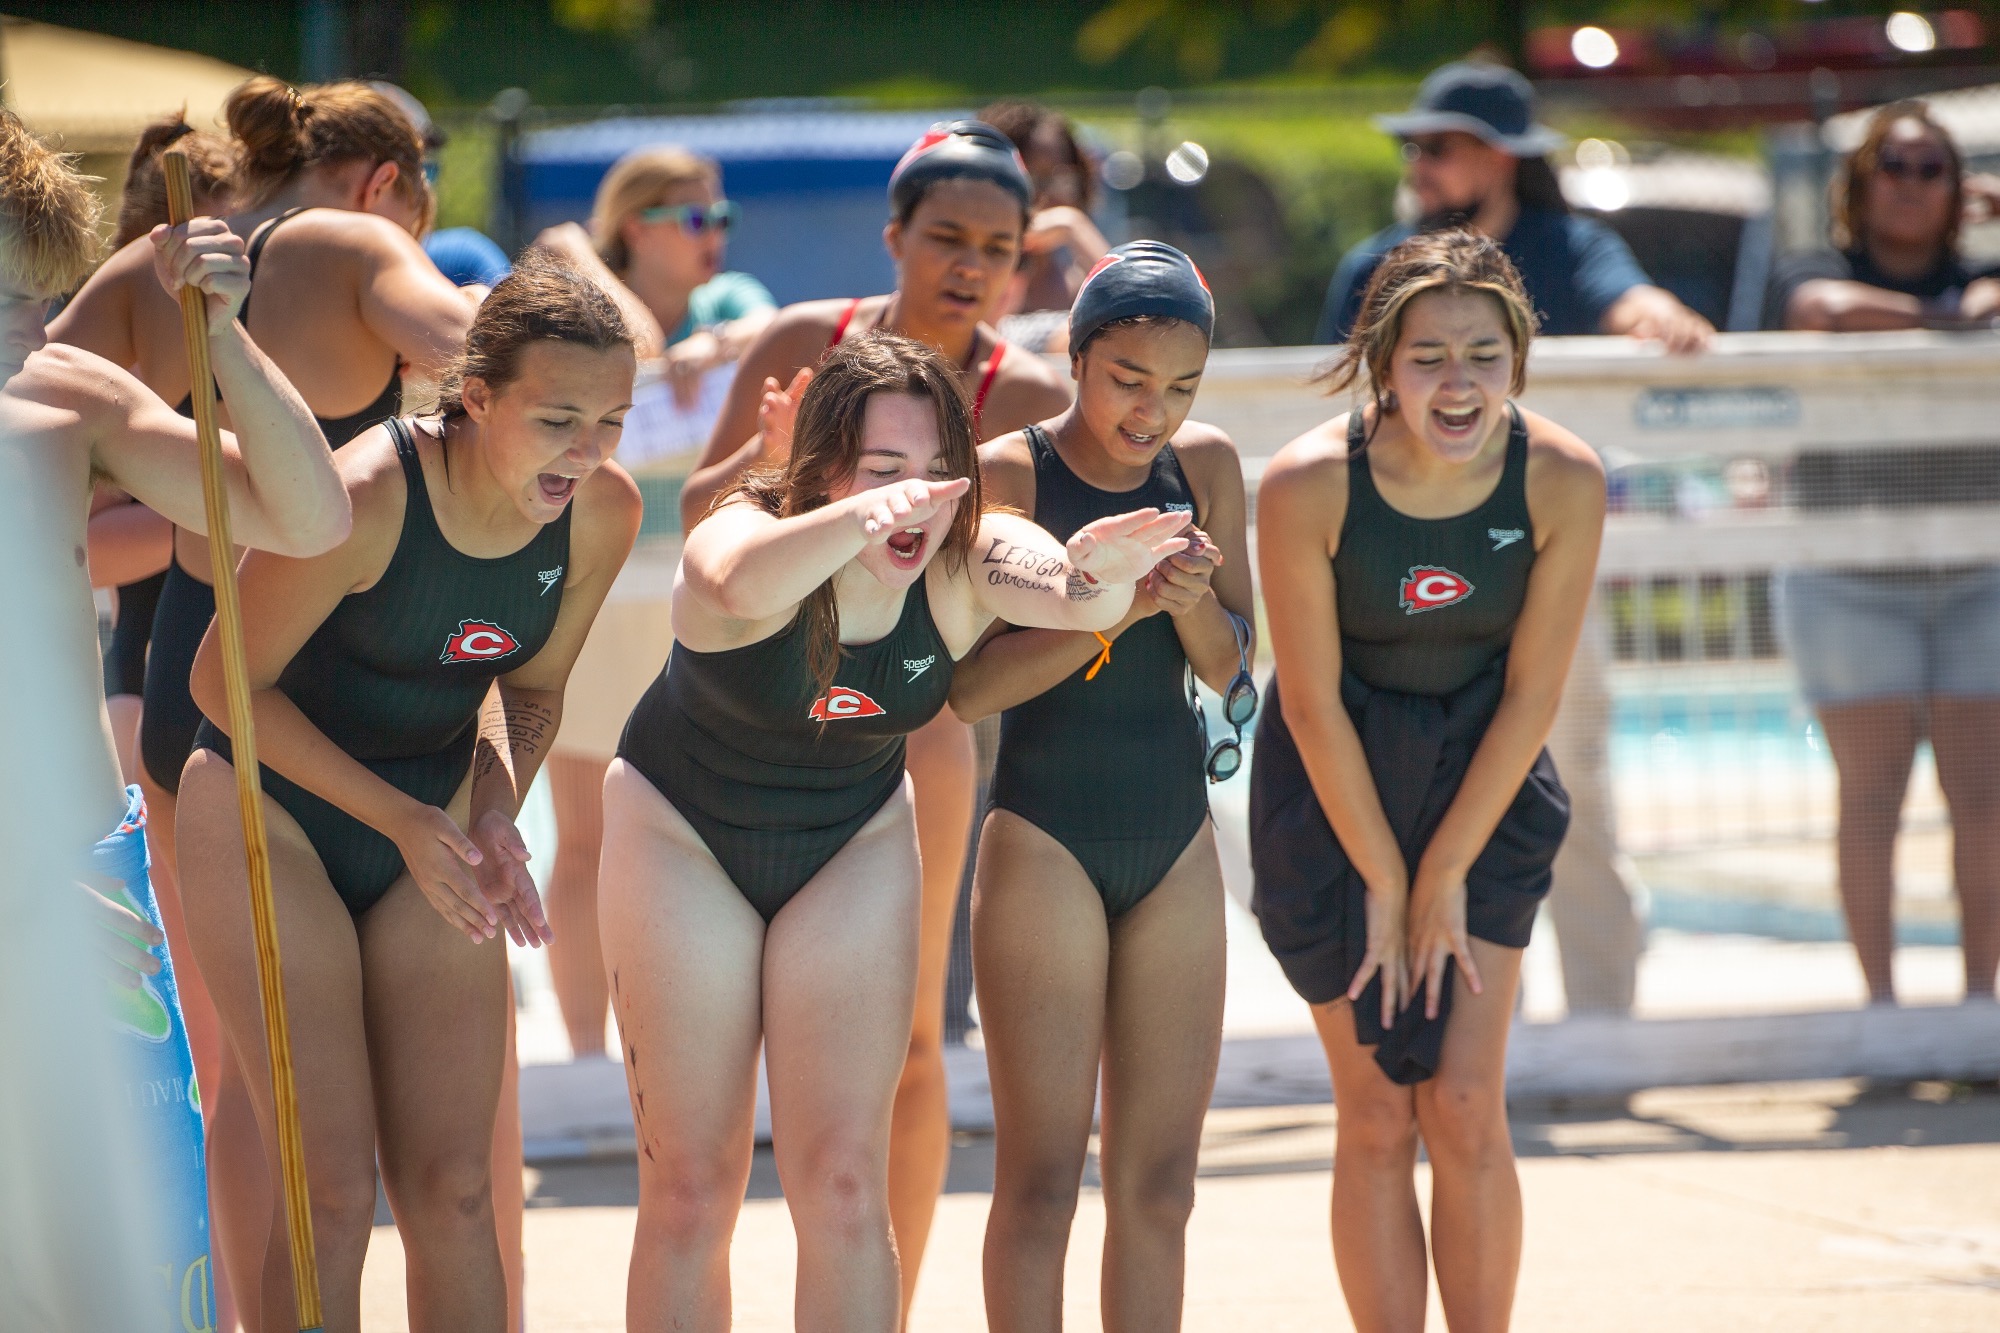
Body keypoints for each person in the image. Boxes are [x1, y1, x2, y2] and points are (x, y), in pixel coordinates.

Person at [601, 330, 1188, 1328]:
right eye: (882, 470)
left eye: (934, 472)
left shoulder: (960, 552)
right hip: (681, 834)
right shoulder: (744, 530)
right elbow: (731, 584)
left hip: (851, 839)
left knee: (837, 1183)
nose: (913, 496)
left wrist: (1095, 578)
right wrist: (860, 514)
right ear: (821, 469)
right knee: (693, 1186)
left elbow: (1056, 585)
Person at [49, 72, 476, 1331]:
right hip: (315, 678)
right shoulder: (355, 243)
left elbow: (33, 410)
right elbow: (483, 353)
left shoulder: (149, 267)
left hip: (189, 666)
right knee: (347, 1101)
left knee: (241, 1065)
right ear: (385, 181)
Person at [175, 255, 642, 1332]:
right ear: (477, 397)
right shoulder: (369, 494)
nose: (587, 451)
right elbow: (221, 683)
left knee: (455, 1187)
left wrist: (492, 812)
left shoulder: (598, 515)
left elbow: (529, 690)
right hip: (270, 808)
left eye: (610, 422)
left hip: (430, 815)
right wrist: (403, 818)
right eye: (560, 418)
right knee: (331, 1192)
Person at [678, 118, 1075, 1314]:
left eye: (996, 247)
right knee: (734, 1046)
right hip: (761, 705)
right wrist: (771, 459)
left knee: (909, 1040)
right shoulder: (812, 343)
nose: (969, 264)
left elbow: (1016, 587)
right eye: (945, 236)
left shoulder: (1033, 393)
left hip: (917, 718)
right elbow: (701, 521)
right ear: (893, 235)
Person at [0, 105, 348, 1330]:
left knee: (141, 1264)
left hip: (78, 879)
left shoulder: (62, 394)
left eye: (42, 294)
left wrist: (232, 347)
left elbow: (305, 521)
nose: (35, 327)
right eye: (6, 300)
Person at [1254, 230, 1603, 1330]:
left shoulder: (1560, 477)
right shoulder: (1307, 482)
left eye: (1483, 356)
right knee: (1372, 1115)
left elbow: (1529, 699)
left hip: (1481, 788)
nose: (1457, 383)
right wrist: (1383, 878)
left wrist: (1438, 872)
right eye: (1428, 357)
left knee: (1458, 1102)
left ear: (1518, 359)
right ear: (1381, 365)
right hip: (1332, 789)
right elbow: (1307, 704)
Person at [1318, 60, 1692, 1018]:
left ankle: (1604, 1028)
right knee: (1416, 810)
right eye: (1415, 146)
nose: (1421, 163)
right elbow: (1326, 409)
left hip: (1539, 565)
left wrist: (1653, 314)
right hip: (1401, 578)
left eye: (1439, 145)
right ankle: (1470, 1030)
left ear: (1501, 158)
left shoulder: (1571, 247)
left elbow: (1633, 303)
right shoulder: (1377, 266)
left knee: (1575, 798)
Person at [950, 242, 1252, 1329]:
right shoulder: (1015, 471)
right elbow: (970, 689)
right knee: (1038, 1183)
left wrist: (1183, 604)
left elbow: (1228, 668)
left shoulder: (1205, 466)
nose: (1151, 412)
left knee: (1160, 1185)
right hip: (1044, 836)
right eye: (1128, 380)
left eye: (1179, 387)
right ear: (1075, 358)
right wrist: (1112, 603)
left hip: (1172, 836)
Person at [528, 143, 780, 1059]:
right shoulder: (583, 307)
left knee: (708, 838)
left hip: (702, 611)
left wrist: (707, 344)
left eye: (722, 218)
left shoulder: (731, 301)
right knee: (586, 840)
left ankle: (687, 1052)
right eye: (693, 218)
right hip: (596, 600)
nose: (715, 237)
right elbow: (628, 348)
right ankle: (592, 1058)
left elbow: (770, 330)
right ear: (635, 229)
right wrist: (589, 265)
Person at [1770, 102, 2000, 1003]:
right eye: (1892, 167)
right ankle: (1883, 1013)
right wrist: (1945, 320)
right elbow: (1818, 312)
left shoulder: (1986, 274)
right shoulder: (1815, 267)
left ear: (1959, 187)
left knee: (1983, 803)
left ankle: (1980, 1010)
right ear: (1860, 186)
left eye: (1931, 168)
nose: (1910, 183)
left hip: (1980, 572)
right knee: (1872, 799)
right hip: (1849, 575)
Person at [90, 114, 238, 785]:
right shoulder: (111, 383)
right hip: (148, 681)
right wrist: (215, 524)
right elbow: (86, 550)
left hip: (209, 682)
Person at [982, 99, 1111, 354]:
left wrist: (1073, 226)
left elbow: (1142, 320)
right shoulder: (975, 280)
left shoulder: (1083, 284)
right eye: (1032, 180)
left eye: (1062, 178)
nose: (1048, 195)